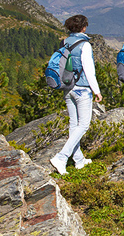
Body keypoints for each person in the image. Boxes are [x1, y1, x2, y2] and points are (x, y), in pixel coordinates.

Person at [50, 14, 103, 175]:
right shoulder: (84, 45)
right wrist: (97, 91)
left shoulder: (64, 42)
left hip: (68, 87)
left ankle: (78, 160)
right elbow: (89, 70)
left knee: (74, 124)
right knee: (84, 125)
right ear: (84, 27)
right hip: (82, 88)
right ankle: (61, 157)